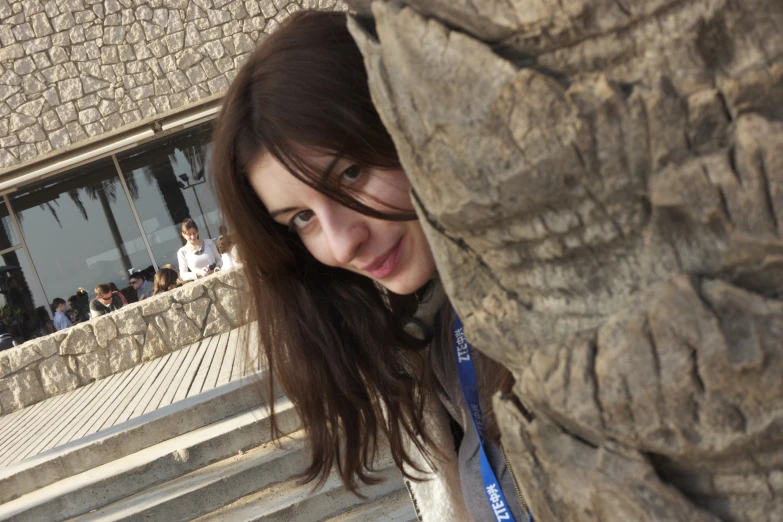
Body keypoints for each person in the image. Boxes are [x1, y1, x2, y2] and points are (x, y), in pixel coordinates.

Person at [211, 11, 528, 522]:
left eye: (352, 174)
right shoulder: (421, 340)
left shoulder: (572, 301)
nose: (342, 243)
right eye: (302, 218)